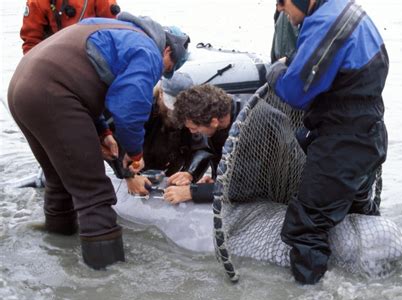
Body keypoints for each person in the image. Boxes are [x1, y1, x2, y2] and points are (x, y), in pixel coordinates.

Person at [7, 12, 190, 270]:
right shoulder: (149, 51)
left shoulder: (112, 27)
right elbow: (128, 109)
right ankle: (106, 279)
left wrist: (103, 132)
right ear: (167, 50)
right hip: (53, 94)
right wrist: (134, 155)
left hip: (23, 87)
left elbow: (86, 78)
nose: (163, 73)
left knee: (59, 181)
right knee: (95, 193)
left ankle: (59, 251)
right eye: (169, 68)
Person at [266, 0, 389, 284]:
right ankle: (374, 275)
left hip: (343, 143)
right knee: (358, 206)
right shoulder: (345, 10)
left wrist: (275, 72)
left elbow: (295, 92)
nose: (282, 11)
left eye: (283, 4)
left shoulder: (325, 23)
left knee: (305, 228)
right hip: (368, 136)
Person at [118, 72, 213, 196]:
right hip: (139, 166)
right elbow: (118, 140)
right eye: (172, 106)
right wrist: (129, 176)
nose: (174, 113)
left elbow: (201, 148)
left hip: (172, 171)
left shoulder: (190, 115)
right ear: (161, 94)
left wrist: (190, 173)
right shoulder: (141, 109)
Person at [163, 85, 248, 204]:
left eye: (194, 128)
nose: (192, 132)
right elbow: (206, 149)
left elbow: (250, 186)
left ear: (214, 122)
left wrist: (194, 192)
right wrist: (193, 174)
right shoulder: (220, 115)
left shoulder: (252, 128)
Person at [21, 0, 121, 54]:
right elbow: (31, 43)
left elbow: (114, 31)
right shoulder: (37, 2)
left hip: (93, 57)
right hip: (54, 60)